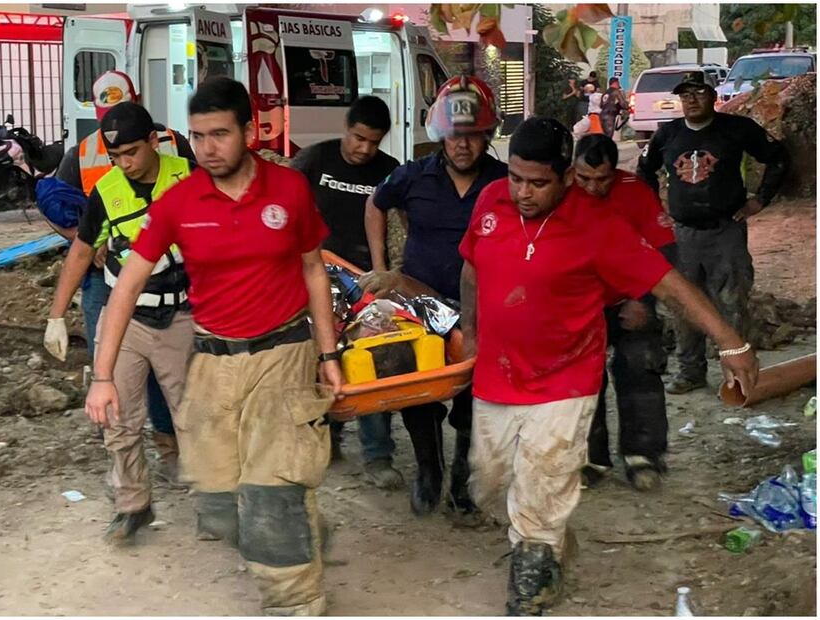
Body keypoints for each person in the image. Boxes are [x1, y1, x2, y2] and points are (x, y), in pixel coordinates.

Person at [458, 117, 759, 615]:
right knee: (487, 485)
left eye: (537, 183)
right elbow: (471, 267)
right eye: (515, 178)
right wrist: (470, 334)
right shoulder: (491, 201)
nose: (522, 193)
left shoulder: (597, 226)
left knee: (542, 486)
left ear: (567, 178)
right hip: (497, 373)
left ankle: (534, 578)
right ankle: (549, 538)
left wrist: (731, 344)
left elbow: (668, 283)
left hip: (566, 380)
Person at [86, 77, 342, 616]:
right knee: (221, 504)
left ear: (248, 131)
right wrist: (104, 375)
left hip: (284, 352)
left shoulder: (289, 189)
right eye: (199, 136)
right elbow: (126, 285)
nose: (208, 148)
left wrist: (328, 354)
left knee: (271, 493)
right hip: (212, 361)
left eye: (220, 134)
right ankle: (305, 524)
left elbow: (314, 271)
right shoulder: (180, 202)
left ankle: (296, 601)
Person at [44, 102, 194, 544]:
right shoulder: (107, 190)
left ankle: (219, 500)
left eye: (131, 152)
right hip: (125, 318)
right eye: (115, 156)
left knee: (195, 415)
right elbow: (82, 252)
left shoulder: (188, 175)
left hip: (183, 314)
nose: (124, 164)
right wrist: (57, 314)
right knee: (118, 419)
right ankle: (133, 505)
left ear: (153, 142)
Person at [363, 74, 506, 521]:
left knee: (473, 395)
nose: (462, 146)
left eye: (472, 136)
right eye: (454, 136)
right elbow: (376, 203)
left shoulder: (504, 182)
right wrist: (381, 263)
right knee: (418, 389)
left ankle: (462, 483)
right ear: (440, 134)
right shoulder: (412, 175)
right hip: (419, 304)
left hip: (482, 306)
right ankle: (429, 470)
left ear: (487, 135)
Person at [637, 71, 788, 395]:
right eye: (685, 94)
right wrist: (656, 208)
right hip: (684, 235)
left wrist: (760, 200)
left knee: (732, 301)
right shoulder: (668, 134)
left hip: (726, 231)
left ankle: (735, 376)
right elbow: (644, 169)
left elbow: (778, 158)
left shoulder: (736, 129)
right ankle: (690, 371)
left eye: (699, 93)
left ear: (712, 96)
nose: (691, 100)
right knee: (684, 305)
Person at [291, 95, 403, 490]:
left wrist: (387, 271)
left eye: (374, 142)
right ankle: (326, 439)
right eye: (358, 138)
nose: (364, 149)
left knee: (374, 361)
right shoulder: (313, 161)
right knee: (316, 361)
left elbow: (401, 223)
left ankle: (377, 453)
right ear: (345, 127)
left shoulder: (390, 171)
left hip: (366, 281)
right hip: (314, 276)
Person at [573, 134, 677, 491]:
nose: (592, 187)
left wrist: (643, 300)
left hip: (627, 301)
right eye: (584, 178)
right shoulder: (560, 191)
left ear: (614, 172)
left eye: (602, 179)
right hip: (580, 306)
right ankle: (590, 458)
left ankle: (643, 455)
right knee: (583, 380)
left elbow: (665, 253)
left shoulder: (635, 191)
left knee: (640, 367)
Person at [55, 70, 195, 197]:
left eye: (124, 116)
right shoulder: (79, 156)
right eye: (109, 117)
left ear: (138, 102)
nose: (116, 124)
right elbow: (60, 210)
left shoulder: (173, 141)